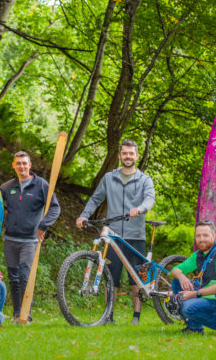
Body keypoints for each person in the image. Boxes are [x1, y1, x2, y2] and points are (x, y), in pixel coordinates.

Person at [76, 139, 155, 325]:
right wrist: (83, 216)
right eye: (124, 153)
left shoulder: (145, 180)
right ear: (120, 156)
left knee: (136, 280)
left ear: (136, 156)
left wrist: (141, 209)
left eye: (131, 153)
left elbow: (150, 199)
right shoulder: (109, 178)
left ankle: (136, 317)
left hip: (135, 235)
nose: (128, 156)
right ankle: (108, 316)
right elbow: (95, 199)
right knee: (110, 277)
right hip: (112, 236)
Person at [0, 151, 61, 323]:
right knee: (13, 277)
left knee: (25, 275)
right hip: (10, 239)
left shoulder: (41, 185)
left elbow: (55, 208)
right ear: (14, 165)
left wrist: (43, 225)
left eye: (24, 163)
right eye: (18, 163)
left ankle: (27, 315)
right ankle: (16, 313)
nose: (21, 166)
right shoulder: (6, 187)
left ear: (30, 165)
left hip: (29, 240)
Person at [170, 221, 216, 335]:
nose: (201, 239)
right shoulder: (199, 255)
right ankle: (195, 328)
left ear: (213, 236)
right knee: (176, 282)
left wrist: (195, 294)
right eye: (198, 236)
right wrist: (181, 276)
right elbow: (173, 271)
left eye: (205, 235)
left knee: (187, 308)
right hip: (211, 296)